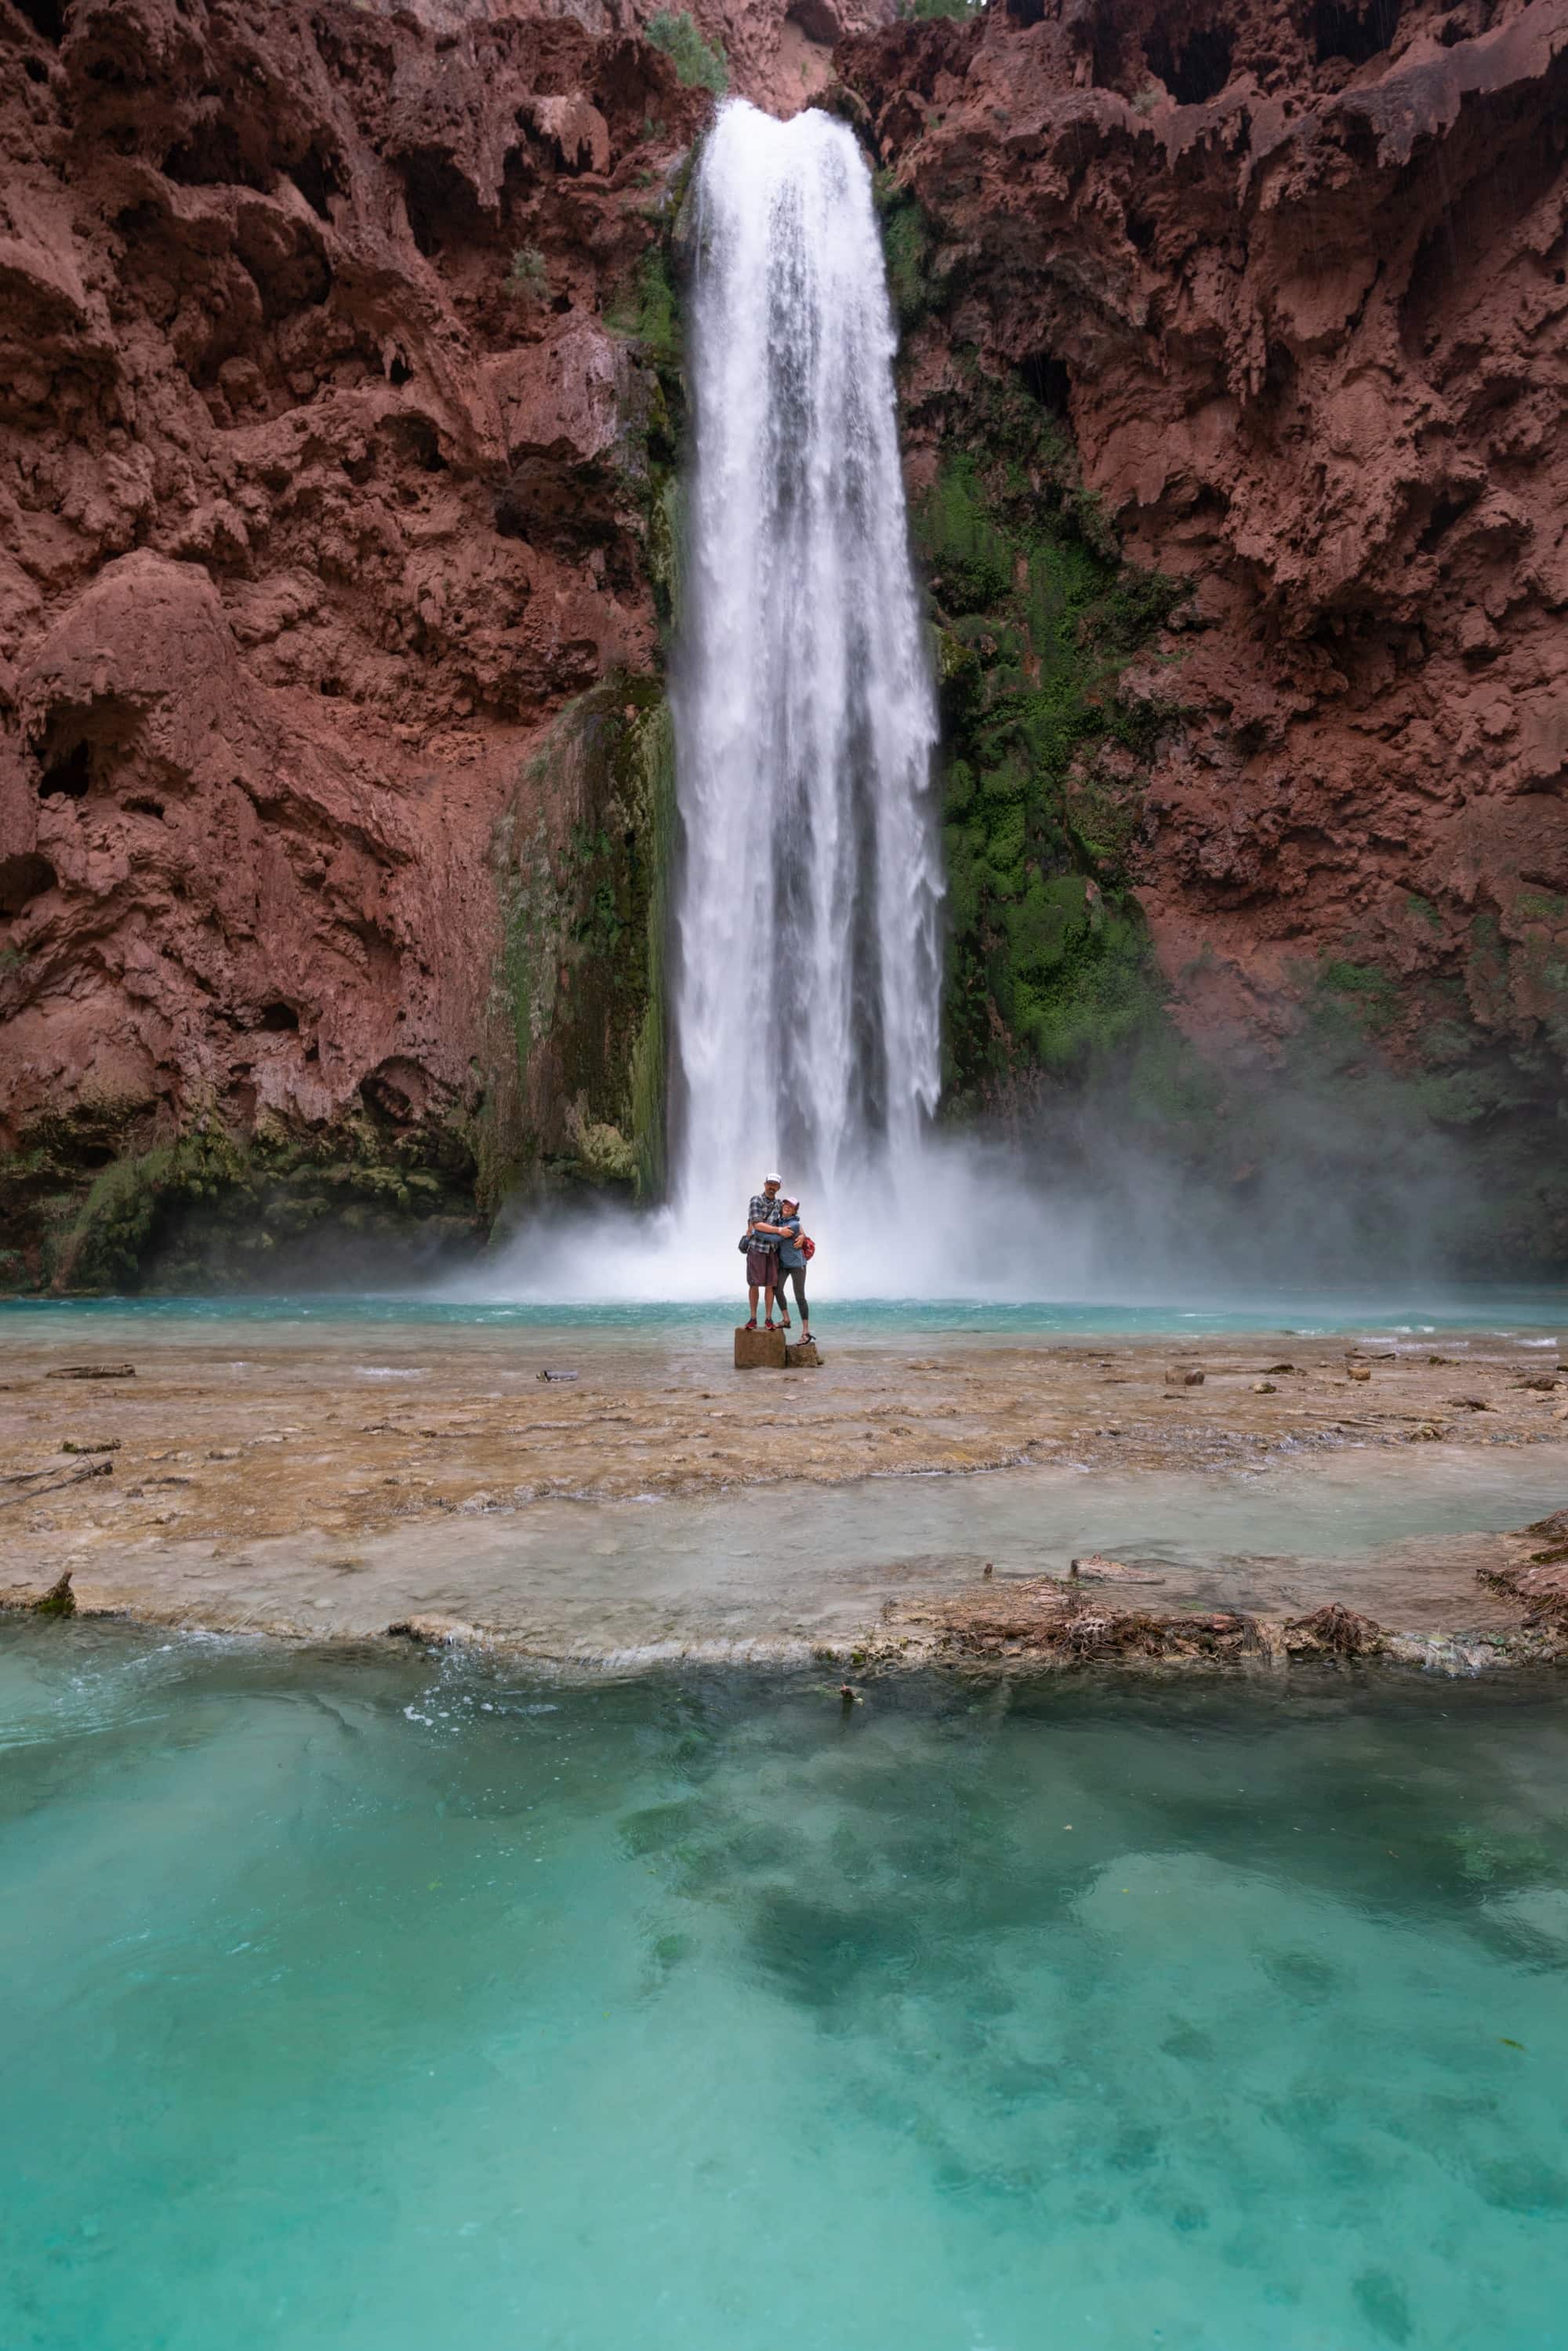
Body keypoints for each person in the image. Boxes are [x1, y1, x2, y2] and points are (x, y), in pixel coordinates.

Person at [743, 1172, 786, 1330]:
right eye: (770, 1184)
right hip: (756, 1248)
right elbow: (757, 1224)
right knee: (754, 1284)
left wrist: (802, 1236)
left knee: (770, 1285)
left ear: (779, 1187)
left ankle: (768, 1318)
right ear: (765, 1184)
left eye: (775, 1185)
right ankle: (753, 1318)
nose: (772, 1187)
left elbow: (792, 1217)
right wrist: (779, 1231)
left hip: (772, 1250)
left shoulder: (780, 1205)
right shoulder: (756, 1200)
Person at [772, 1196, 812, 1346]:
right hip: (783, 1264)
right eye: (786, 1204)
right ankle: (786, 1319)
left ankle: (806, 1332)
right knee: (776, 1289)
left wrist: (758, 1232)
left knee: (800, 1297)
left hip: (797, 1264)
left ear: (795, 1210)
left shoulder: (794, 1224)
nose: (788, 1206)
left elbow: (777, 1237)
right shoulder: (778, 1221)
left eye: (792, 1205)